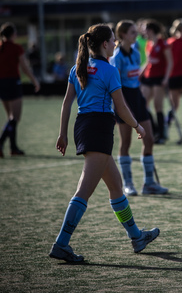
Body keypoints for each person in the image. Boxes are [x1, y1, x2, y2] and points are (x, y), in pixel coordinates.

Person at [49, 23, 160, 263]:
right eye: (112, 40)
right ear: (105, 44)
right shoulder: (109, 70)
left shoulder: (77, 67)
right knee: (83, 191)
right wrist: (138, 126)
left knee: (116, 186)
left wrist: (63, 134)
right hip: (99, 129)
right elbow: (120, 107)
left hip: (84, 126)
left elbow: (67, 103)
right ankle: (61, 243)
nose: (114, 44)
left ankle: (136, 236)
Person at [110, 20, 168, 196]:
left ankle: (149, 184)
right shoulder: (116, 57)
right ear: (122, 36)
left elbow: (136, 76)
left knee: (149, 138)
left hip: (137, 97)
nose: (137, 35)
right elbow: (117, 85)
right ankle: (128, 184)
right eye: (133, 32)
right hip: (123, 100)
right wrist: (121, 107)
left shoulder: (136, 52)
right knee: (125, 143)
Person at [0, 23, 40, 158]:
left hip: (2, 84)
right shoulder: (16, 48)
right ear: (13, 34)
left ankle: (13, 148)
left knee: (10, 117)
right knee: (15, 118)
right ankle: (1, 143)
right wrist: (34, 80)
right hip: (13, 82)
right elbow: (25, 68)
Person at [140, 20, 173, 144]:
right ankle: (154, 131)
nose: (144, 32)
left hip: (159, 78)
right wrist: (140, 73)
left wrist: (166, 78)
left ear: (151, 30)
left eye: (145, 29)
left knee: (158, 106)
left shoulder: (163, 44)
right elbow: (148, 62)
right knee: (143, 104)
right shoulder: (148, 43)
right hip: (148, 77)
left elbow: (170, 62)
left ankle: (161, 135)